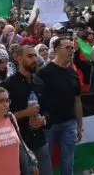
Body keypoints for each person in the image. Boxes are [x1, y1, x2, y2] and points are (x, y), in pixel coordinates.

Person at [1, 45, 52, 175]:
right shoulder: (7, 85)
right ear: (18, 58)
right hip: (19, 145)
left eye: (35, 55)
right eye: (29, 56)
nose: (34, 59)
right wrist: (25, 113)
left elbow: (48, 110)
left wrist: (44, 120)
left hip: (40, 141)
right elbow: (1, 118)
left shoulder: (39, 82)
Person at [35, 37, 83, 175]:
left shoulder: (73, 74)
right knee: (45, 162)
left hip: (69, 123)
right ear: (56, 50)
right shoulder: (43, 72)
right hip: (48, 125)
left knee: (68, 162)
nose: (71, 51)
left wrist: (80, 125)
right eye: (67, 48)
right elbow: (35, 98)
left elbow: (77, 101)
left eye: (72, 48)